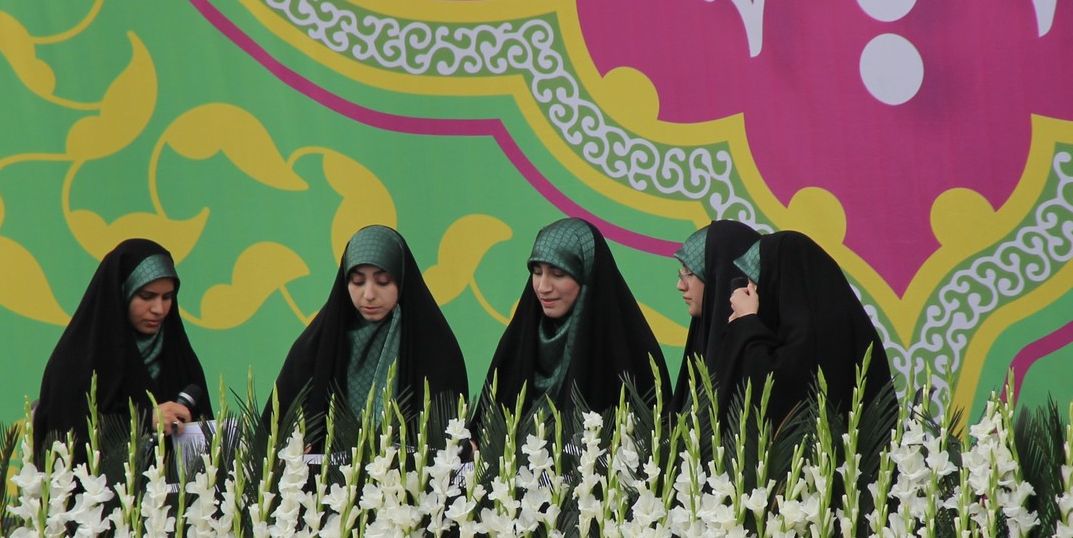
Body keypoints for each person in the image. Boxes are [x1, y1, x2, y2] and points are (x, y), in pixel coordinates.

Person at [268, 225, 468, 443]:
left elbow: (450, 441)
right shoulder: (314, 349)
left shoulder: (435, 348)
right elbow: (274, 435)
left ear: (402, 279)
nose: (369, 294)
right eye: (357, 281)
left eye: (383, 281)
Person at [33, 239, 212, 464]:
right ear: (121, 293)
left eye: (167, 297)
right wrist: (145, 420)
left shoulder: (179, 358)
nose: (158, 309)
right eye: (146, 296)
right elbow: (68, 441)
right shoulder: (76, 363)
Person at [478, 217, 671, 420]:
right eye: (537, 272)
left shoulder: (630, 353)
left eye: (558, 273)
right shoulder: (517, 345)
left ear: (586, 275)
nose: (543, 287)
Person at [721, 230, 893, 425]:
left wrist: (746, 323)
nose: (749, 291)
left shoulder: (817, 336)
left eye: (754, 280)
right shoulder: (840, 323)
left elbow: (772, 393)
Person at [672, 220, 762, 416]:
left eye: (689, 272)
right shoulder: (701, 338)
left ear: (720, 275)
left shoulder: (757, 355)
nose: (680, 285)